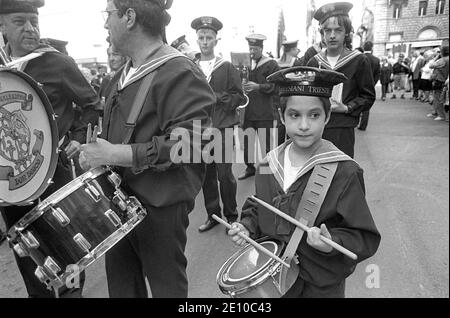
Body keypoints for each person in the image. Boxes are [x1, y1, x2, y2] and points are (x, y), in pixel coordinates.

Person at [78, 0, 214, 298]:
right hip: (118, 202)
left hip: (160, 207)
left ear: (129, 17)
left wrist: (114, 154)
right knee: (123, 289)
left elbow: (191, 144)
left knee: (167, 290)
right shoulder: (120, 77)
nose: (105, 24)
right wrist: (96, 155)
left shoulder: (178, 71)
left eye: (108, 15)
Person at [227, 66, 381, 298]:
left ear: (327, 116)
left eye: (314, 115)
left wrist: (332, 242)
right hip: (275, 280)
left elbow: (363, 236)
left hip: (319, 285)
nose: (304, 125)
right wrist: (247, 226)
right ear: (281, 116)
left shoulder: (344, 171)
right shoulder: (268, 162)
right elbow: (260, 205)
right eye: (294, 115)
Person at [0, 0, 100, 298]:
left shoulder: (57, 62)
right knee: (29, 257)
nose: (31, 29)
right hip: (12, 184)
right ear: (2, 26)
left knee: (67, 251)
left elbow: (92, 105)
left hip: (55, 176)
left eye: (34, 21)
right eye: (20, 21)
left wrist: (78, 137)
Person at [191, 16, 245, 232]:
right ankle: (213, 215)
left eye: (209, 38)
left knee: (224, 175)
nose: (205, 41)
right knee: (206, 176)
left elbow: (239, 97)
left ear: (216, 40)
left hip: (222, 127)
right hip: (198, 129)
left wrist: (218, 97)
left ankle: (232, 216)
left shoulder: (226, 67)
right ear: (197, 40)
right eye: (201, 37)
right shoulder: (190, 67)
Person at [306, 2, 375, 158]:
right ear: (322, 33)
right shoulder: (313, 62)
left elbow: (368, 96)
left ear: (347, 33)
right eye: (327, 30)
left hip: (342, 127)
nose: (332, 35)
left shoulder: (359, 61)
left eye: (338, 30)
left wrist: (347, 108)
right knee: (316, 171)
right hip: (316, 127)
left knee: (340, 174)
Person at [239, 33, 280, 180]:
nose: (252, 52)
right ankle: (249, 168)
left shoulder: (271, 64)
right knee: (247, 142)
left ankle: (266, 171)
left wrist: (259, 87)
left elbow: (276, 86)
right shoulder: (244, 64)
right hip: (248, 111)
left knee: (265, 144)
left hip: (264, 111)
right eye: (250, 48)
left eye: (255, 48)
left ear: (261, 48)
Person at [358, 41, 380, 131]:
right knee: (366, 104)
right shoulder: (376, 60)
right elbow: (378, 74)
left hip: (358, 84)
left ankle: (355, 121)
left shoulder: (359, 58)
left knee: (356, 102)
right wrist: (372, 83)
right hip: (370, 85)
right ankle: (363, 125)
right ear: (372, 48)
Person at [98, 45, 127, 111]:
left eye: (115, 54)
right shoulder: (106, 79)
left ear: (125, 57)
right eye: (109, 55)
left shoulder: (130, 76)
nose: (111, 59)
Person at [429, 46, 449, 122]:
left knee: (438, 99)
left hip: (441, 81)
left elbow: (431, 65)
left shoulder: (443, 60)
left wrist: (436, 57)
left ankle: (441, 115)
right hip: (446, 81)